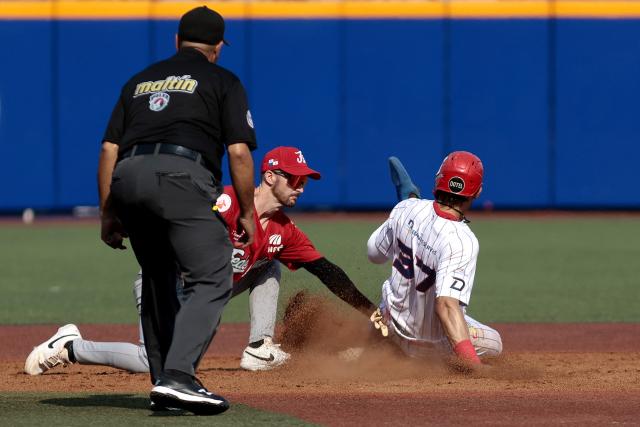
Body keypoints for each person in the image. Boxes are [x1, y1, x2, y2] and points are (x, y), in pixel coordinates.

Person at [25, 146, 377, 380]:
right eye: (295, 178)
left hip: (208, 291)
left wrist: (370, 311)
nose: (302, 186)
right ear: (270, 176)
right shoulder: (227, 203)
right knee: (155, 364)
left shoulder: (285, 231)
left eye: (305, 180)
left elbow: (326, 270)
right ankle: (70, 346)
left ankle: (259, 347)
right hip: (166, 284)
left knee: (269, 263)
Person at [83, 6, 255, 415]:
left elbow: (109, 148)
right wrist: (247, 211)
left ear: (177, 41)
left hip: (127, 177)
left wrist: (108, 213)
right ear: (217, 47)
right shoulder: (222, 79)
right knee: (212, 274)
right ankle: (179, 377)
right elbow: (238, 152)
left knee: (160, 281)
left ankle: (164, 385)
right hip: (181, 176)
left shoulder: (139, 81)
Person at [368, 152, 502, 365]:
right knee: (495, 342)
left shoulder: (405, 209)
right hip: (428, 347)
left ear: (438, 180)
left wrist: (406, 209)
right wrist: (472, 365)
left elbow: (374, 255)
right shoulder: (462, 240)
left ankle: (374, 345)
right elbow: (447, 305)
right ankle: (427, 360)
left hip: (388, 325)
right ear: (477, 192)